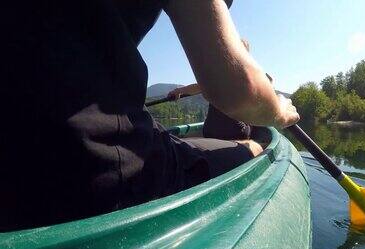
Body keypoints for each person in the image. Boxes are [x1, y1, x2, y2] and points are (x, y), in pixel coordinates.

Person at [1, 0, 299, 231]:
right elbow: (238, 87)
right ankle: (251, 147)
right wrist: (279, 112)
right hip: (88, 174)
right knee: (252, 148)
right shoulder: (249, 69)